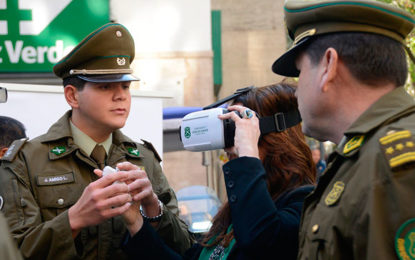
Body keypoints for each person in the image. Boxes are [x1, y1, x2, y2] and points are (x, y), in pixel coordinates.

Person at [0, 23, 192, 259]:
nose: (120, 95)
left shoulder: (143, 158)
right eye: (105, 86)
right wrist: (74, 220)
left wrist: (153, 208)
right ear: (72, 96)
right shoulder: (26, 161)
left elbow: (186, 249)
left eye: (125, 85)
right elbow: (11, 251)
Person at [271, 0, 415, 259]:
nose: (296, 89)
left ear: (328, 65)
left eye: (299, 72)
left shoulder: (393, 165)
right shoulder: (366, 155)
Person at [123, 83, 316, 259]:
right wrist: (137, 223)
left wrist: (248, 153)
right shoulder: (236, 211)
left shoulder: (305, 204)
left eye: (239, 129)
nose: (232, 141)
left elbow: (260, 241)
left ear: (274, 139)